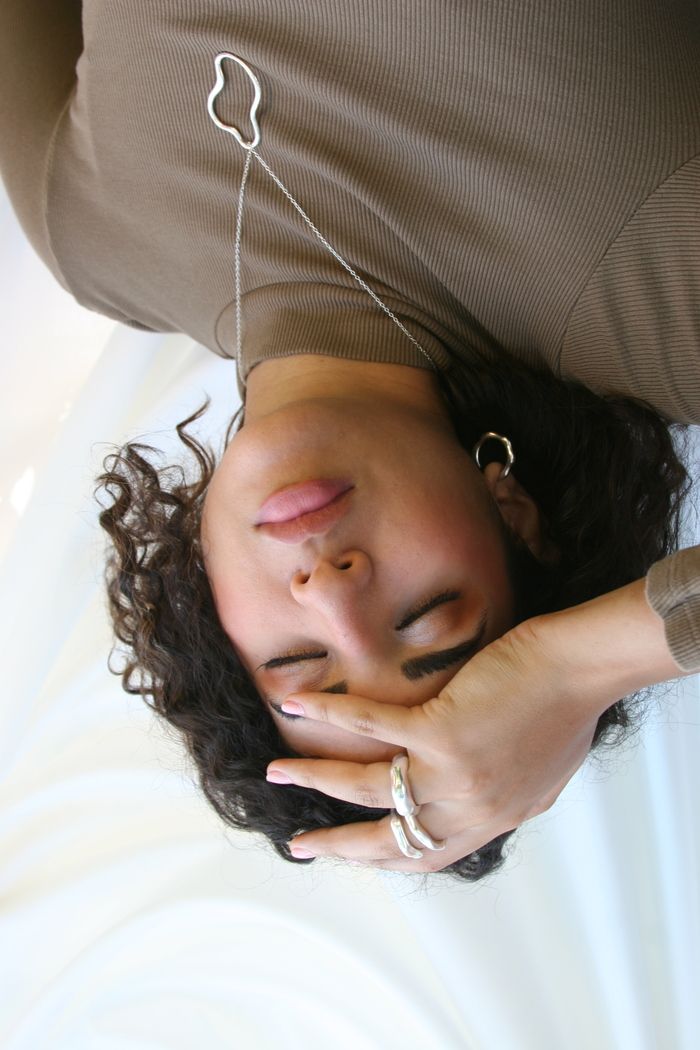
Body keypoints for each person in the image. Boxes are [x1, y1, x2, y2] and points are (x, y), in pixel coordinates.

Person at [2, 0, 698, 878]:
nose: (331, 590)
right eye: (426, 616)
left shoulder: (94, 236)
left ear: (209, 612)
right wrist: (575, 672)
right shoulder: (654, 294)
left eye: (297, 660)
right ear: (515, 514)